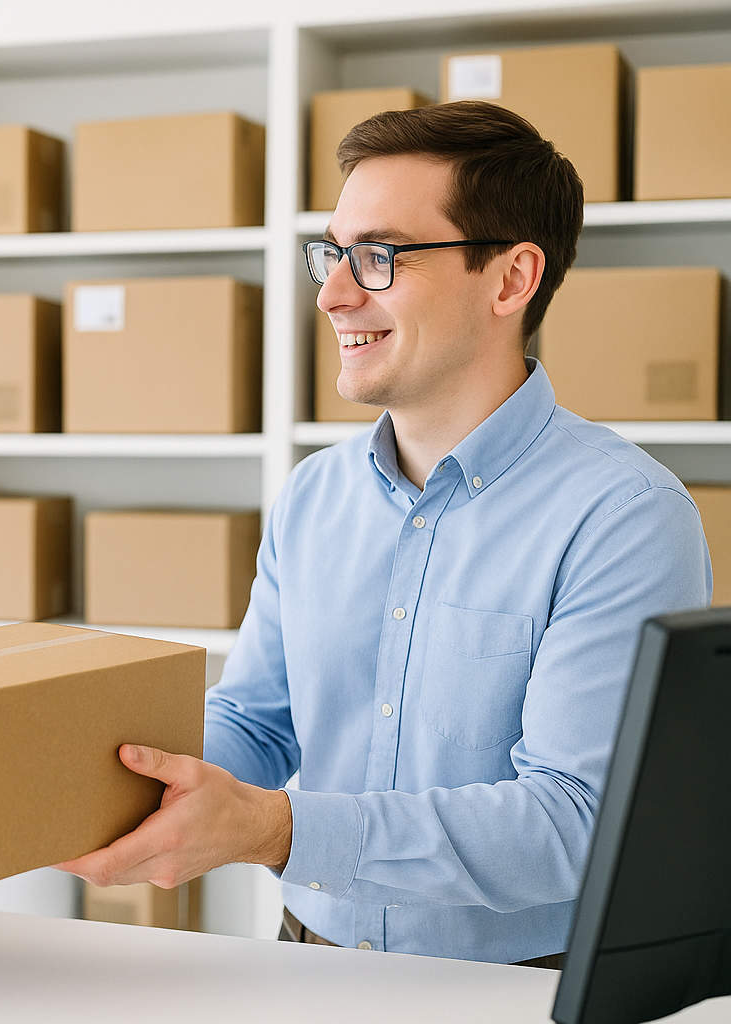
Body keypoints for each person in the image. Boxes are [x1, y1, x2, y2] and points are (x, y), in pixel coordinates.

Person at [58, 101, 712, 966]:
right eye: (332, 255)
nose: (332, 294)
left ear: (511, 279)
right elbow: (257, 723)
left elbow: (576, 819)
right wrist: (89, 786)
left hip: (508, 986)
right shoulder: (313, 495)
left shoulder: (624, 516)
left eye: (379, 256)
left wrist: (275, 829)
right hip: (307, 950)